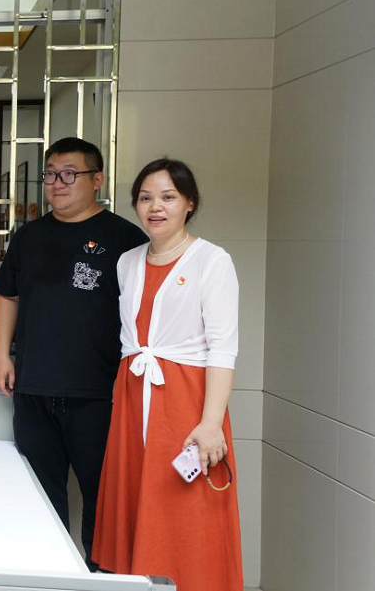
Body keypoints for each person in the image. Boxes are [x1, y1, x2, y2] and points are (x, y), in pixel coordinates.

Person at [0, 137, 147, 569]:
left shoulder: (126, 239)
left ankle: (100, 573)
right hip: (34, 387)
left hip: (99, 392)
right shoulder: (29, 237)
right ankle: (51, 573)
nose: (57, 183)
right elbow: (8, 296)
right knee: (40, 494)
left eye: (69, 174)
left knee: (103, 496)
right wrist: (2, 355)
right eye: (51, 174)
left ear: (97, 180)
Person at [93, 159, 242, 589]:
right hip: (132, 396)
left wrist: (211, 424)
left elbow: (222, 349)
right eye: (145, 198)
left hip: (184, 400)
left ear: (189, 203)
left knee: (186, 510)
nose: (155, 207)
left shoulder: (212, 261)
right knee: (135, 501)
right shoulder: (127, 262)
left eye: (168, 197)